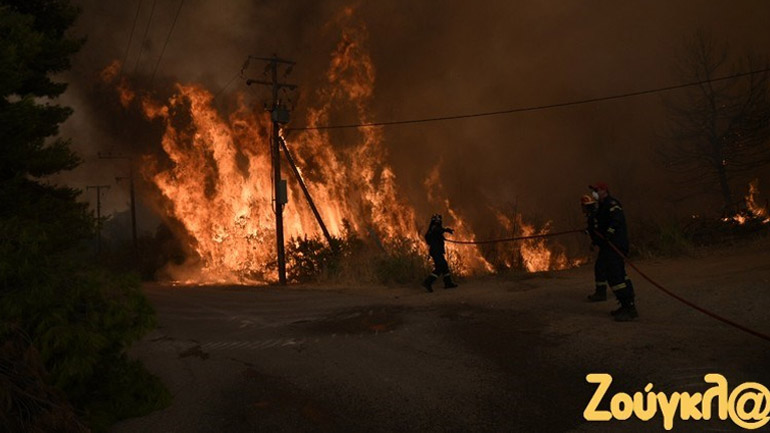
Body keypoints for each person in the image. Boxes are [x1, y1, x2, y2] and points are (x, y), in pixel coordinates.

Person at [585, 182, 638, 321]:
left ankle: (629, 308)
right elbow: (599, 226)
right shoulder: (602, 207)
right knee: (615, 274)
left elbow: (616, 221)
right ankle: (625, 304)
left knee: (616, 277)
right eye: (594, 191)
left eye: (597, 190)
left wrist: (608, 235)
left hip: (616, 245)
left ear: (604, 191)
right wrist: (596, 238)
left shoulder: (611, 204)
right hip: (609, 246)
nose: (594, 193)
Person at [422, 214, 458, 292]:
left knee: (444, 266)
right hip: (436, 251)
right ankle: (428, 282)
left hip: (437, 251)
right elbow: (438, 230)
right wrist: (446, 230)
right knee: (439, 267)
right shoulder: (434, 228)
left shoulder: (433, 229)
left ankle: (448, 283)